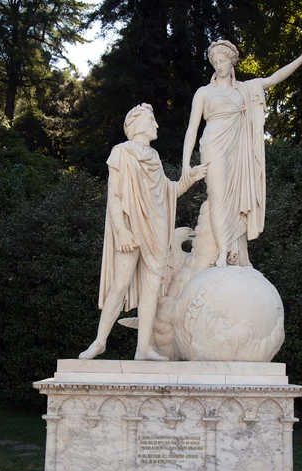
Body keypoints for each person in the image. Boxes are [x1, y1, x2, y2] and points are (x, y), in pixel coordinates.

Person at [79, 103, 208, 361]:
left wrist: (189, 178)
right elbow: (114, 196)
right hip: (131, 227)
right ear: (138, 124)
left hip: (156, 229)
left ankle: (144, 348)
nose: (156, 125)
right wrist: (121, 229)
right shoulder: (121, 153)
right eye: (152, 121)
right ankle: (99, 341)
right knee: (121, 283)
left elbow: (168, 192)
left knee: (152, 288)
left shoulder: (154, 158)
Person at [182, 39, 302, 268]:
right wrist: (186, 164)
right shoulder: (203, 93)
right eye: (215, 61)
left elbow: (273, 79)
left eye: (223, 60)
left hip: (238, 149)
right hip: (213, 145)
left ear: (231, 62)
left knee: (235, 201)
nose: (219, 65)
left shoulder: (245, 89)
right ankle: (223, 251)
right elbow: (192, 129)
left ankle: (235, 251)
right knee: (218, 195)